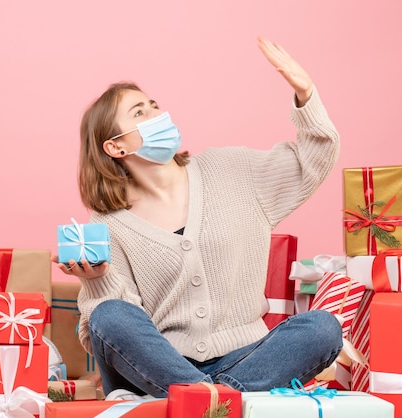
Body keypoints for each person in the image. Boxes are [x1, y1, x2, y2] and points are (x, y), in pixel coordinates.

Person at [54, 36, 343, 400]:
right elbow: (105, 336)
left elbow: (311, 160)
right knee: (109, 314)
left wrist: (306, 95)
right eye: (139, 113)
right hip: (158, 370)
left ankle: (203, 401)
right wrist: (97, 282)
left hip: (246, 359)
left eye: (154, 105)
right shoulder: (107, 223)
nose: (157, 115)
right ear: (115, 147)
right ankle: (217, 400)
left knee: (322, 328)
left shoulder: (232, 170)